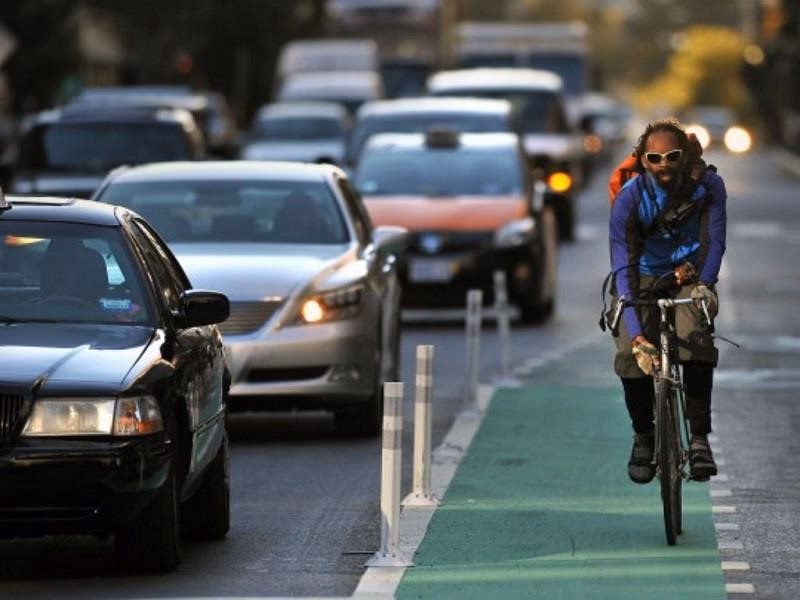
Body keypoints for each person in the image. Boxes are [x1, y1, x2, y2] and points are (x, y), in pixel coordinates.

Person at [608, 118, 727, 483]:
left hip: (691, 275)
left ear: (684, 156)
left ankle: (699, 439)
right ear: (643, 160)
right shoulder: (630, 198)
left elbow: (714, 241)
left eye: (672, 156)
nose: (664, 165)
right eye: (654, 158)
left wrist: (705, 285)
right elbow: (621, 262)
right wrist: (635, 331)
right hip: (640, 278)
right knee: (631, 353)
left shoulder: (707, 187)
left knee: (694, 336)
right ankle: (644, 437)